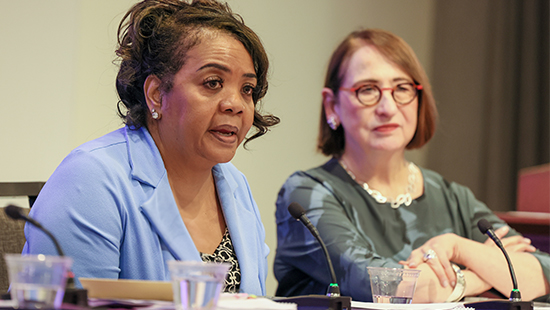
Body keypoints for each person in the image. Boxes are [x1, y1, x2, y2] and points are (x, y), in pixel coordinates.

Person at [274, 28, 550, 302]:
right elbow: (382, 286)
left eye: (402, 88)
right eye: (367, 90)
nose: (388, 107)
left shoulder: (451, 196)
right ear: (332, 105)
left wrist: (458, 248)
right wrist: (480, 274)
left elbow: (543, 273)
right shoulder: (306, 193)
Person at [23, 0, 279, 295]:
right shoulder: (90, 180)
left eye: (247, 89)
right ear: (156, 95)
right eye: (212, 83)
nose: (235, 104)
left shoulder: (235, 186)